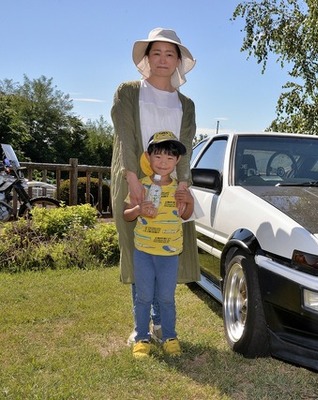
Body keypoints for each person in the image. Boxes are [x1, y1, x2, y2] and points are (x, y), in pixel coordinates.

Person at [110, 27, 200, 350]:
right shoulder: (128, 92)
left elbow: (186, 146)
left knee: (164, 243)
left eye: (170, 53)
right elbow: (125, 137)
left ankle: (162, 325)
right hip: (132, 178)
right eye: (156, 52)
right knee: (138, 247)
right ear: (147, 58)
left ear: (178, 61)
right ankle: (142, 328)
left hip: (171, 183)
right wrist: (132, 179)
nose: (163, 59)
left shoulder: (186, 104)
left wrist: (184, 187)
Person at [124, 132, 193, 358]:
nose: (163, 163)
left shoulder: (180, 189)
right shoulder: (140, 186)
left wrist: (188, 201)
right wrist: (138, 210)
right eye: (158, 157)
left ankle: (169, 336)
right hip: (144, 252)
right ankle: (141, 337)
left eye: (170, 158)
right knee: (143, 297)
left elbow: (186, 216)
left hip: (169, 253)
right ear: (148, 157)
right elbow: (127, 215)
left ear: (177, 162)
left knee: (166, 298)